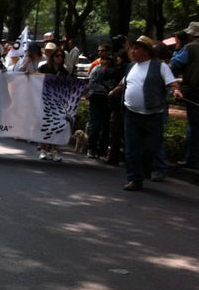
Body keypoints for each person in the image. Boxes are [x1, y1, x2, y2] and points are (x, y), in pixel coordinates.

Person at [109, 36, 182, 191]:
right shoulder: (131, 67)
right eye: (132, 48)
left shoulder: (160, 66)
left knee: (151, 147)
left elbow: (172, 83)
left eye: (136, 48)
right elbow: (124, 82)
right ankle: (134, 179)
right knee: (131, 148)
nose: (132, 51)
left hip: (153, 114)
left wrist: (176, 91)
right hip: (131, 113)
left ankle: (144, 170)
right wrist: (115, 90)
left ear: (147, 51)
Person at [169, 21, 199, 170]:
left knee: (195, 126)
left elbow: (175, 65)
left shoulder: (190, 47)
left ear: (191, 35)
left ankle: (191, 160)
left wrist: (178, 46)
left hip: (195, 91)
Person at [38, 45, 70, 161]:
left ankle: (54, 151)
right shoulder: (44, 68)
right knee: (45, 125)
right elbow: (36, 81)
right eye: (57, 56)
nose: (60, 58)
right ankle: (43, 150)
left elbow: (68, 86)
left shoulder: (65, 72)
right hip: (45, 100)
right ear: (52, 57)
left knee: (57, 126)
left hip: (59, 102)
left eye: (62, 56)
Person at [84, 54, 116, 159]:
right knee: (95, 124)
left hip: (108, 99)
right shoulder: (96, 69)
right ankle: (91, 148)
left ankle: (102, 150)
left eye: (108, 60)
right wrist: (105, 89)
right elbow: (91, 83)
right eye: (104, 60)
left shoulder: (114, 71)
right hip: (96, 98)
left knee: (106, 126)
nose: (106, 62)